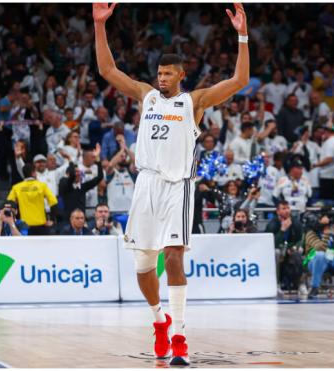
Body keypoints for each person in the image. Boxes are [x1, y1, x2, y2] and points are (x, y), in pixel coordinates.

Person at [94, 2, 249, 365]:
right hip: (145, 184)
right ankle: (159, 321)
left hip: (177, 186)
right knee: (143, 268)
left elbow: (239, 81)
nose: (161, 78)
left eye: (167, 74)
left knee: (173, 257)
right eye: (159, 73)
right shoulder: (145, 95)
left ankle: (179, 335)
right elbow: (106, 68)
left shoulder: (194, 102)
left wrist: (242, 35)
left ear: (180, 75)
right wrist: (100, 25)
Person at [264, 200, 306, 297]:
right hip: (276, 253)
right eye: (283, 208)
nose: (287, 211)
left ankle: (301, 284)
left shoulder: (296, 223)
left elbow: (300, 240)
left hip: (290, 252)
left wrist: (294, 247)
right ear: (278, 211)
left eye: (288, 208)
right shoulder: (272, 224)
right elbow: (270, 244)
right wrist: (282, 230)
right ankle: (276, 284)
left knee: (298, 252)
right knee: (277, 252)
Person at [7, 163, 58, 235]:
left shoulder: (16, 187)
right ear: (33, 173)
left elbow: (9, 203)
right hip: (41, 225)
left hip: (24, 225)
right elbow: (54, 202)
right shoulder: (42, 186)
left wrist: (15, 219)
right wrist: (52, 219)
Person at [59, 145, 104, 222]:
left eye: (79, 172)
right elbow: (72, 176)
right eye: (76, 172)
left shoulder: (83, 187)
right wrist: (70, 159)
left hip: (81, 222)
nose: (78, 173)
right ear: (68, 174)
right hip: (68, 222)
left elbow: (100, 177)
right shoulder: (64, 184)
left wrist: (97, 158)